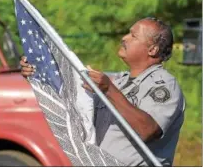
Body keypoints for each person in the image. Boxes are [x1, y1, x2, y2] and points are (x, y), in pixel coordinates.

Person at [20, 17, 185, 166]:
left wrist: (109, 90)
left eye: (133, 36)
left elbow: (149, 130)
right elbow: (74, 95)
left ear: (153, 50)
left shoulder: (164, 85)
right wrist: (39, 73)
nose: (124, 38)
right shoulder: (120, 80)